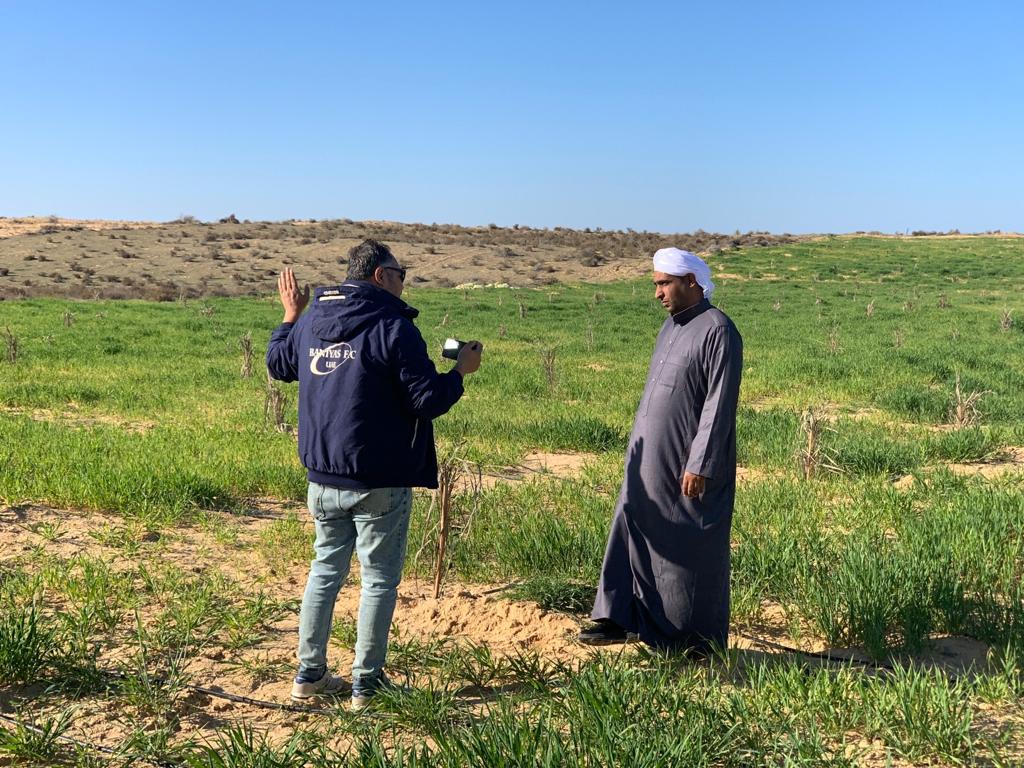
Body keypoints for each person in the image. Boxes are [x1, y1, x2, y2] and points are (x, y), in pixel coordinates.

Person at [266, 239, 482, 708]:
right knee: (379, 580)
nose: (404, 283)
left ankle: (309, 674)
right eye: (401, 274)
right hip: (380, 478)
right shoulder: (394, 326)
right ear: (381, 276)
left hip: (322, 475)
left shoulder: (312, 321)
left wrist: (290, 315)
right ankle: (367, 684)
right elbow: (427, 400)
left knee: (324, 571)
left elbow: (278, 364)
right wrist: (460, 373)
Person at [579, 247, 742, 657]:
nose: (657, 293)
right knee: (632, 525)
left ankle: (692, 643)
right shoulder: (670, 328)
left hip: (687, 461)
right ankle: (619, 617)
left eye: (664, 283)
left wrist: (700, 463)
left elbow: (719, 403)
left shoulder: (718, 330)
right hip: (649, 456)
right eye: (656, 284)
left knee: (688, 549)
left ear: (691, 282)